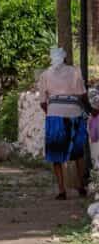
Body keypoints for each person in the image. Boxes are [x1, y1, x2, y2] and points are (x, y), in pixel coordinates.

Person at [39, 47, 90, 199]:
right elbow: (83, 95)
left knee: (56, 155)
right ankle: (81, 187)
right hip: (74, 114)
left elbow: (42, 102)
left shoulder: (45, 75)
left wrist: (52, 113)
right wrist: (90, 109)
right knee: (78, 153)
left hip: (54, 115)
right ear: (65, 59)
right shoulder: (75, 71)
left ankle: (62, 190)